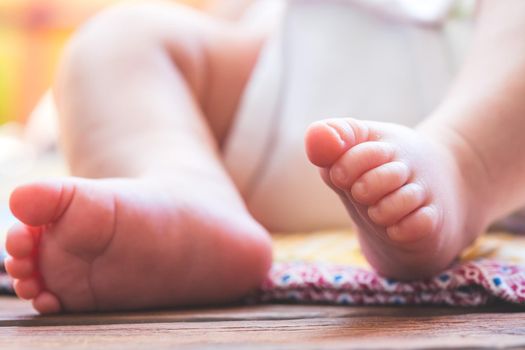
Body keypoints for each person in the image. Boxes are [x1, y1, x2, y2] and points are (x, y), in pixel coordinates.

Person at [4, 0, 525, 314]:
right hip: (270, 78)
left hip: (476, 84)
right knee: (115, 40)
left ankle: (462, 166)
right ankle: (185, 190)